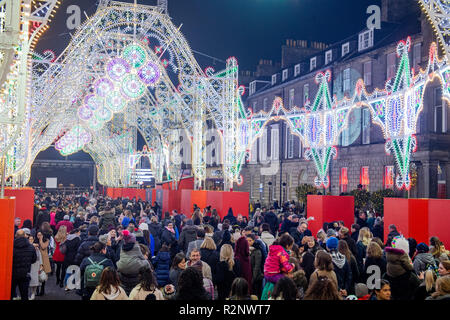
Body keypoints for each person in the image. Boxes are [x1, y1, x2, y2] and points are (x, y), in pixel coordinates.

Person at [117, 230, 151, 295]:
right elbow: (141, 257)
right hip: (134, 267)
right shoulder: (136, 247)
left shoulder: (122, 247)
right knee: (146, 263)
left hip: (122, 267)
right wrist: (145, 261)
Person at [11, 230, 37, 300]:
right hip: (25, 273)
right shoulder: (31, 247)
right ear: (25, 235)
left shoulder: (11, 246)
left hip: (13, 274)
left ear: (16, 235)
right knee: (24, 295)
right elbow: (34, 260)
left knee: (11, 293)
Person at [35, 227, 52, 296]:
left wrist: (41, 239)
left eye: (40, 235)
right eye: (38, 235)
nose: (39, 236)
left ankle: (42, 289)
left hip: (44, 259)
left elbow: (43, 247)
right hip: (37, 259)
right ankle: (37, 291)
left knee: (43, 275)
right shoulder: (34, 240)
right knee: (36, 274)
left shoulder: (46, 240)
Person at [246, 234, 264, 298]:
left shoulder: (257, 251)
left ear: (254, 241)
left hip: (257, 277)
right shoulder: (247, 250)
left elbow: (257, 266)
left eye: (250, 240)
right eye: (247, 241)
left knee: (256, 294)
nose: (248, 242)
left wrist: (253, 278)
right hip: (250, 275)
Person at [27, 235, 42, 300]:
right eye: (29, 239)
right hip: (29, 265)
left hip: (36, 265)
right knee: (30, 280)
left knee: (35, 280)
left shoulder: (37, 248)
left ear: (33, 240)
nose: (30, 241)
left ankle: (33, 293)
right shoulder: (27, 247)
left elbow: (39, 256)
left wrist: (41, 265)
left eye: (32, 239)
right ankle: (30, 293)